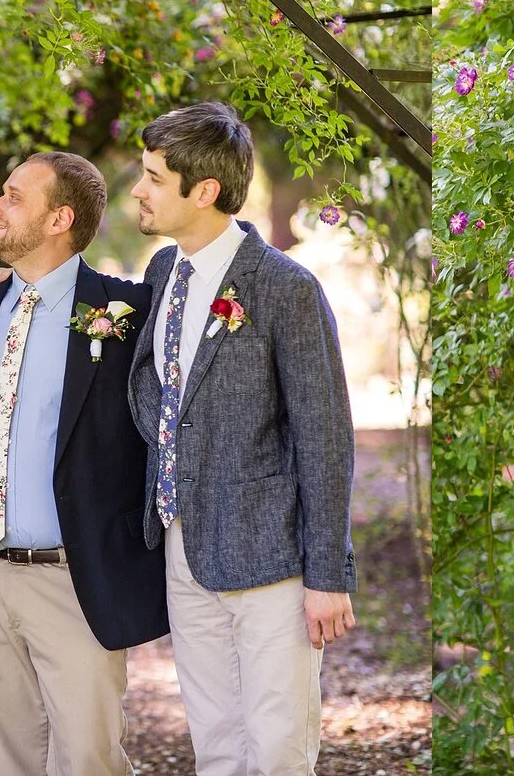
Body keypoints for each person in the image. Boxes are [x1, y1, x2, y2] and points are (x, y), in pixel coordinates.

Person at [126, 101, 356, 775]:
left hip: (271, 559)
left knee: (280, 747)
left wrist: (327, 575)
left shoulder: (285, 288)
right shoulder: (163, 273)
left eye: (152, 177)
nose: (137, 190)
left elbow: (325, 435)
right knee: (217, 744)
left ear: (203, 191)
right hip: (183, 547)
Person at [0, 152, 167, 775]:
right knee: (9, 758)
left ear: (59, 217)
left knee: (90, 758)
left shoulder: (128, 314)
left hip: (76, 577)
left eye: (13, 196)